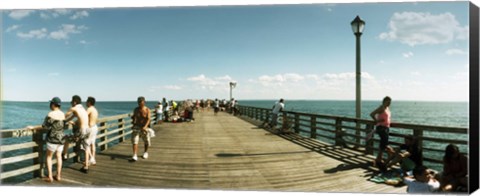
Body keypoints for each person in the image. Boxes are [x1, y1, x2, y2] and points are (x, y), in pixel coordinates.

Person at [63, 95, 91, 173]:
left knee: (66, 139)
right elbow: (71, 117)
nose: (71, 103)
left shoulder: (74, 108)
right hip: (87, 130)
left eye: (71, 102)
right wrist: (66, 121)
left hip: (82, 130)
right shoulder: (83, 109)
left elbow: (63, 116)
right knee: (86, 148)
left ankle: (64, 155)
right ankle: (86, 167)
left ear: (74, 102)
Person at [42, 97, 66, 182]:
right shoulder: (63, 114)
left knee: (49, 157)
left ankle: (50, 177)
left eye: (50, 103)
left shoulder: (51, 114)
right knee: (59, 156)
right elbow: (64, 125)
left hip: (52, 139)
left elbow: (44, 126)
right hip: (61, 139)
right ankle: (58, 176)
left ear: (52, 104)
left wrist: (33, 127)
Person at [369, 96, 394, 171]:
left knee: (383, 144)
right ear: (384, 101)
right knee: (385, 144)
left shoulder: (387, 108)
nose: (389, 103)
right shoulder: (381, 108)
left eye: (390, 102)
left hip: (386, 128)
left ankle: (378, 160)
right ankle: (389, 157)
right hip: (381, 128)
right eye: (387, 101)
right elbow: (372, 114)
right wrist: (377, 121)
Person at [131, 96, 151, 161]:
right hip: (137, 127)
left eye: (141, 103)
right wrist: (133, 123)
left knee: (146, 141)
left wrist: (145, 127)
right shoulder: (136, 109)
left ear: (144, 102)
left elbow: (148, 119)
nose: (140, 104)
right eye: (139, 102)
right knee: (135, 141)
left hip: (144, 127)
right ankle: (134, 155)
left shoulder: (147, 109)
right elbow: (134, 118)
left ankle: (145, 152)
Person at [86, 96, 98, 166]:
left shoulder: (89, 109)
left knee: (86, 144)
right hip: (95, 127)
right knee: (92, 143)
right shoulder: (95, 109)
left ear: (89, 102)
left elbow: (83, 116)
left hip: (90, 128)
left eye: (87, 101)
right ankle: (93, 159)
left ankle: (91, 158)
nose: (86, 103)